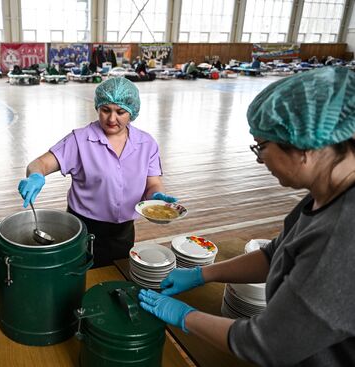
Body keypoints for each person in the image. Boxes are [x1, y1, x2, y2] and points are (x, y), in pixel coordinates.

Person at [138, 66, 355, 366]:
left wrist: (185, 316)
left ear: (304, 145)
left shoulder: (342, 237)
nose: (259, 159)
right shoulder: (326, 193)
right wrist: (202, 274)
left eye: (262, 146)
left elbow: (269, 344)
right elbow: (274, 255)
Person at [18, 77, 176, 268]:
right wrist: (35, 175)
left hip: (123, 231)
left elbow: (153, 183)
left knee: (116, 275)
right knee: (81, 277)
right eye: (105, 110)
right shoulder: (80, 140)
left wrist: (156, 197)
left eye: (120, 112)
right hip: (84, 228)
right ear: (97, 107)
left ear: (132, 112)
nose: (111, 119)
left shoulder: (146, 143)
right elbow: (40, 163)